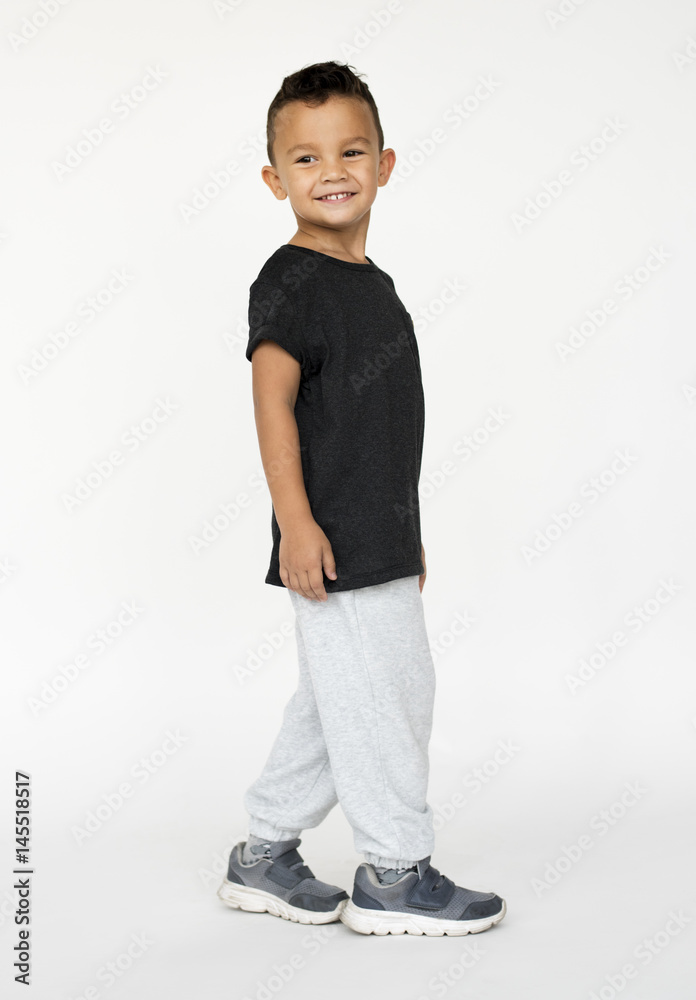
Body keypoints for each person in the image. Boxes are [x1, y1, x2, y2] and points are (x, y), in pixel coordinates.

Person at [217, 60, 506, 937]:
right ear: (275, 180)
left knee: (343, 699)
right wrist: (297, 525)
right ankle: (392, 871)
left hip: (377, 539)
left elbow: (379, 431)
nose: (330, 170)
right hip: (330, 544)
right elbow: (272, 408)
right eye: (304, 159)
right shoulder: (292, 282)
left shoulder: (372, 286)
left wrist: (405, 533)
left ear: (385, 163)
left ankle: (264, 855)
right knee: (386, 699)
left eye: (350, 150)